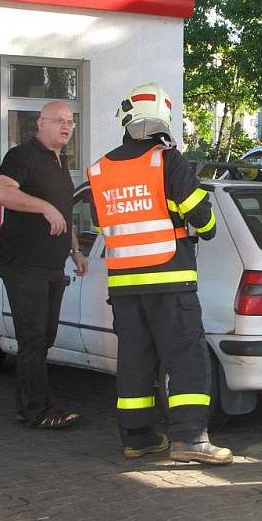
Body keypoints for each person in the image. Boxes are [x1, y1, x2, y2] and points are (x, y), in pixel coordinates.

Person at [87, 82, 233, 464]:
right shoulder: (167, 159)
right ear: (163, 119)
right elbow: (205, 221)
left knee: (135, 363)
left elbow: (104, 228)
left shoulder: (100, 170)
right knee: (187, 360)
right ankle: (190, 440)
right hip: (170, 281)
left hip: (123, 286)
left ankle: (139, 439)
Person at [0, 101, 88, 430]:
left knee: (43, 337)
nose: (66, 126)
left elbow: (64, 213)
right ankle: (38, 411)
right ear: (40, 124)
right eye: (59, 121)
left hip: (52, 265)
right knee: (33, 339)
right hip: (23, 264)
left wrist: (75, 250)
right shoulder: (22, 156)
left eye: (70, 122)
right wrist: (43, 206)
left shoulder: (61, 162)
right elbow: (0, 193)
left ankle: (26, 406)